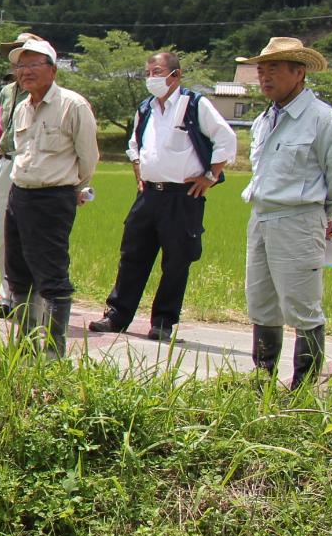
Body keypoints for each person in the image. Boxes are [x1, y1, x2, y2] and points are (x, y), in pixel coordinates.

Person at [86, 51, 239, 342]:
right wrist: (138, 171)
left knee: (177, 260)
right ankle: (117, 315)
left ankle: (163, 322)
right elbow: (134, 144)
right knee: (132, 255)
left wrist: (210, 176)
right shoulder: (145, 108)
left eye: (157, 72)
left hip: (182, 196)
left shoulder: (194, 104)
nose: (151, 79)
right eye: (148, 74)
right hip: (149, 194)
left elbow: (226, 139)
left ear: (175, 75)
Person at [239, 37, 332, 389]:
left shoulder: (323, 121)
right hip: (261, 217)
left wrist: (316, 216)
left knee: (303, 308)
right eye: (261, 70)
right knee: (261, 301)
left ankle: (302, 388)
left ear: (299, 72)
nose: (264, 77)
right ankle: (263, 377)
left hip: (298, 220)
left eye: (273, 69)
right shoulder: (264, 120)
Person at [1, 37, 99, 354]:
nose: (25, 71)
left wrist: (69, 189)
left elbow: (88, 159)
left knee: (52, 274)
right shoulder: (21, 108)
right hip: (20, 194)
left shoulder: (73, 105)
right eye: (20, 65)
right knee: (17, 272)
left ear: (53, 70)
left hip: (52, 197)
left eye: (33, 64)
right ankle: (25, 345)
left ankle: (54, 349)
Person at [0, 33, 44, 319]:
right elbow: (1, 132)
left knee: (34, 235)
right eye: (18, 56)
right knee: (5, 234)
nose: (22, 63)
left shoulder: (45, 91)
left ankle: (35, 299)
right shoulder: (7, 92)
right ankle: (8, 294)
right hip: (7, 161)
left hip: (33, 165)